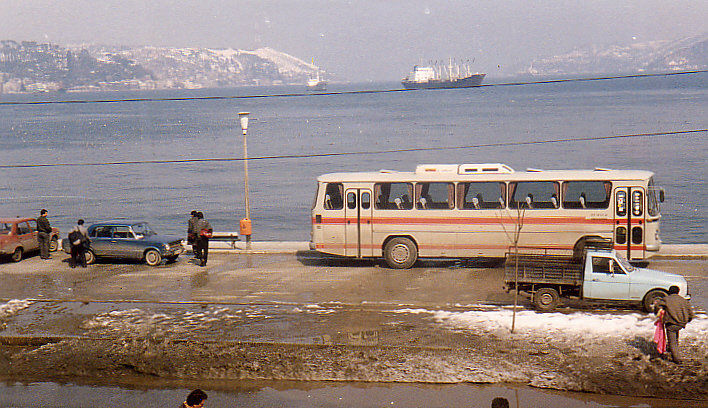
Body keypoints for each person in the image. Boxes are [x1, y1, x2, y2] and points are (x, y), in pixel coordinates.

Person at [656, 286, 694, 364]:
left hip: (671, 323)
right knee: (675, 335)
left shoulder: (666, 299)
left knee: (672, 341)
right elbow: (691, 314)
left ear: (669, 292)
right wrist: (686, 321)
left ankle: (677, 359)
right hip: (681, 323)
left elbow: (657, 306)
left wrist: (659, 313)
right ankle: (672, 349)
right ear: (678, 292)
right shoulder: (684, 300)